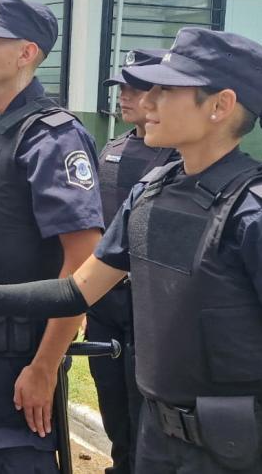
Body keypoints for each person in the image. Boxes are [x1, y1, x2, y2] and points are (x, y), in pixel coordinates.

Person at [0, 28, 262, 474]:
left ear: (220, 105)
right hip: (155, 440)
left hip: (232, 453)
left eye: (166, 90)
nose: (147, 102)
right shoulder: (151, 194)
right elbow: (76, 292)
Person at [0, 0, 103, 473]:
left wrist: (46, 364)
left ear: (26, 52)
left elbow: (83, 260)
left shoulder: (51, 136)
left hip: (19, 350)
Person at [92, 48, 179, 474]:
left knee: (141, 400)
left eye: (136, 88)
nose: (125, 96)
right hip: (103, 295)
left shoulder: (179, 160)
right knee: (110, 396)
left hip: (148, 302)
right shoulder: (113, 148)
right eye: (121, 88)